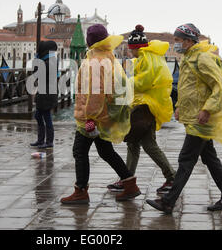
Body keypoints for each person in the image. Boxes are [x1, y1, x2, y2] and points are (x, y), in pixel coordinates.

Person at [146, 23, 222, 214]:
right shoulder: (188, 58)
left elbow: (219, 86)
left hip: (201, 119)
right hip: (193, 117)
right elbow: (188, 88)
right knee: (210, 159)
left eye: (178, 40)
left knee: (186, 159)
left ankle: (168, 202)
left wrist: (207, 110)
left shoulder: (202, 59)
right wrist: (179, 107)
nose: (176, 44)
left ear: (189, 41)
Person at [60, 24, 141, 204]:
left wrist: (90, 117)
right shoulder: (108, 56)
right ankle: (130, 184)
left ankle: (81, 191)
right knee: (106, 151)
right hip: (103, 115)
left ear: (90, 41)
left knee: (79, 151)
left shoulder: (95, 61)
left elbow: (96, 93)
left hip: (92, 118)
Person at [107, 25, 176, 195]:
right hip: (141, 105)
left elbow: (144, 81)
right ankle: (127, 179)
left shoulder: (148, 58)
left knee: (149, 145)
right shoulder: (145, 58)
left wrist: (125, 83)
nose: (130, 53)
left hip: (147, 107)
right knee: (133, 143)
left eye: (131, 49)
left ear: (135, 48)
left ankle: (172, 177)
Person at [30, 41, 59, 149]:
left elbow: (36, 72)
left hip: (48, 94)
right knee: (38, 116)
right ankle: (41, 140)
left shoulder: (50, 62)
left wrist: (36, 60)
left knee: (47, 117)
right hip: (44, 93)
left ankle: (49, 141)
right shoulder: (49, 60)